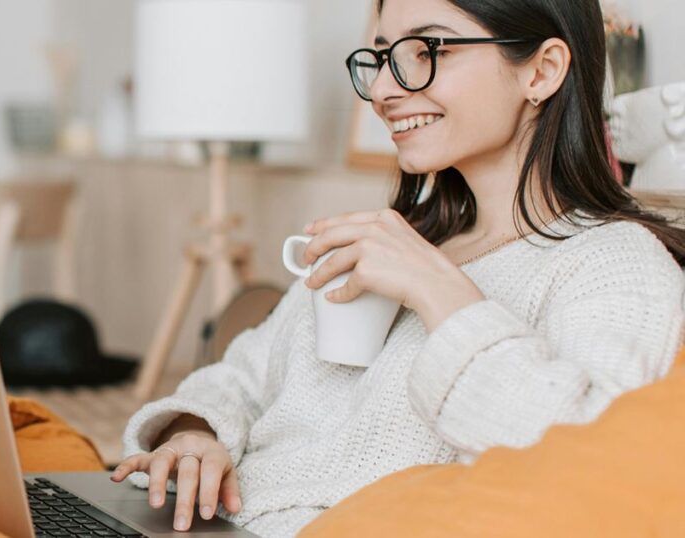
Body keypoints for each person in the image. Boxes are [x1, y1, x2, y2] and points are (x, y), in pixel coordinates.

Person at [111, 0, 685, 536]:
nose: (384, 89)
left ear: (542, 71)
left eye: (428, 50)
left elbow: (587, 463)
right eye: (383, 57)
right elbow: (240, 375)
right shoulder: (398, 237)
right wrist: (195, 434)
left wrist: (439, 291)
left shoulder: (612, 263)